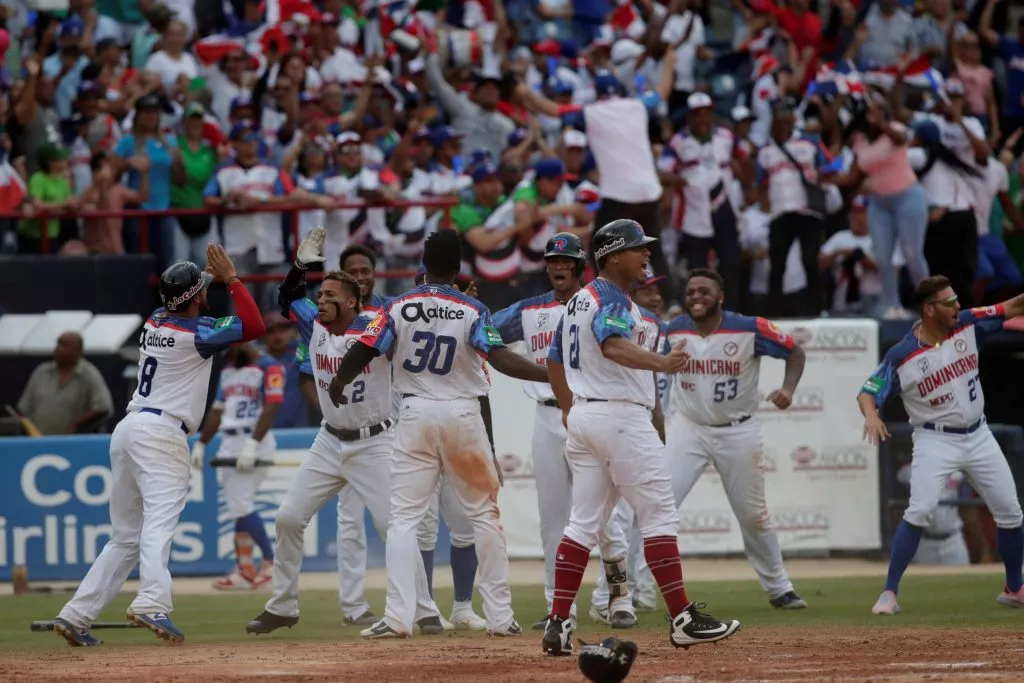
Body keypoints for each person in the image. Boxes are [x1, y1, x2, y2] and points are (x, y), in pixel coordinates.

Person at [327, 229, 549, 638]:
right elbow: (498, 358)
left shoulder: (399, 305)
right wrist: (546, 372)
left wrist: (340, 380)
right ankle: (500, 617)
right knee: (484, 515)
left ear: (424, 266)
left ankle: (396, 616)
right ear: (459, 267)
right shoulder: (472, 308)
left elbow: (366, 347)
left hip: (414, 414)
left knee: (404, 519)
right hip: (463, 414)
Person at [51, 243, 267, 646]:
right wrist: (232, 279)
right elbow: (254, 327)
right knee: (159, 523)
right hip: (162, 433)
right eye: (201, 291)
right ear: (195, 298)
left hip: (131, 427)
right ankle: (152, 602)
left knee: (125, 537)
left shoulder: (155, 319)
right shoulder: (198, 334)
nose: (206, 294)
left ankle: (76, 615)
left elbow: (185, 301)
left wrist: (201, 279)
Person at [542, 219, 741, 656]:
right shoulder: (610, 295)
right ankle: (684, 618)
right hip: (619, 417)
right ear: (613, 256)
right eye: (638, 248)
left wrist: (568, 409)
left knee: (582, 524)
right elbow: (612, 345)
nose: (647, 254)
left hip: (586, 416)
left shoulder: (578, 300)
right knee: (658, 518)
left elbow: (554, 360)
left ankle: (558, 623)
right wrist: (661, 363)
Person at [246, 229, 443, 636]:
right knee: (287, 517)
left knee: (394, 527)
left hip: (375, 441)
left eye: (331, 296)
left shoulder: (378, 325)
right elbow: (287, 299)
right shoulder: (313, 324)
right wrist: (301, 265)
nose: (322, 301)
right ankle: (282, 606)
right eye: (320, 296)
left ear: (352, 301)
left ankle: (421, 610)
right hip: (330, 439)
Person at [492, 232, 638, 631]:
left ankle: (618, 598)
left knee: (605, 515)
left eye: (566, 261)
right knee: (552, 517)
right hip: (547, 414)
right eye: (553, 261)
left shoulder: (596, 301)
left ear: (579, 266)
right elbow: (485, 333)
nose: (558, 267)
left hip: (591, 412)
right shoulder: (529, 310)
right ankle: (560, 608)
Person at [858, 275, 1024, 615]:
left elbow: (1013, 306)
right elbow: (868, 392)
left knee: (1011, 513)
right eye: (949, 302)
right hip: (936, 439)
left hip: (979, 434)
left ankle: (1014, 587)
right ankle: (889, 592)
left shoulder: (967, 323)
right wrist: (872, 416)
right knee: (919, 510)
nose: (957, 306)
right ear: (929, 309)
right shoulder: (903, 353)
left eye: (956, 299)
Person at [665, 268, 809, 610]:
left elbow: (795, 351)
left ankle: (779, 588)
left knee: (753, 516)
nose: (696, 297)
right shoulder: (674, 330)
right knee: (659, 506)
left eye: (704, 291)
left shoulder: (749, 327)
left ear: (720, 297)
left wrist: (788, 388)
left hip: (738, 429)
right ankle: (634, 592)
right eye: (691, 292)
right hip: (689, 427)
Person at [189, 344, 284, 590]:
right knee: (236, 507)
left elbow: (272, 406)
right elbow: (218, 411)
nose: (230, 355)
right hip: (229, 441)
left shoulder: (270, 366)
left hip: (255, 437)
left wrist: (253, 444)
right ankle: (245, 570)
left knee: (241, 504)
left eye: (233, 349)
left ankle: (271, 562)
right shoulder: (230, 371)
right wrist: (201, 443)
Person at [17, 331, 114, 435]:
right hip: (37, 441)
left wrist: (76, 425)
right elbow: (23, 409)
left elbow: (103, 408)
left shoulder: (88, 374)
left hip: (71, 443)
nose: (58, 349)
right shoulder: (42, 372)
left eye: (64, 345)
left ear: (77, 351)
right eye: (58, 344)